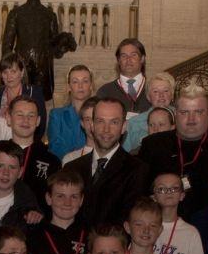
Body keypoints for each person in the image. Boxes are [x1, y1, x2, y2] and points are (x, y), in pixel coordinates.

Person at [139, 82, 208, 220]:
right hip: (164, 224)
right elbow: (141, 193)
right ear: (176, 113)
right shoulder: (153, 144)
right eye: (184, 112)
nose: (191, 119)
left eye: (198, 112)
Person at [64, 97, 149, 228]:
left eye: (114, 122)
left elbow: (129, 220)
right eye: (100, 121)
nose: (106, 129)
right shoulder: (71, 168)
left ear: (123, 127)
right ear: (91, 125)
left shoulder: (137, 170)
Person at [1, 0, 74, 102]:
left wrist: (64, 43)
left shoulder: (50, 15)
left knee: (40, 100)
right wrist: (7, 66)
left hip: (43, 63)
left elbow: (54, 44)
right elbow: (7, 42)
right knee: (19, 99)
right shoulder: (16, 13)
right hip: (21, 62)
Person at [4, 95, 61, 217]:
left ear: (38, 121)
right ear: (8, 118)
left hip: (38, 229)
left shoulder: (52, 161)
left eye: (31, 116)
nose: (26, 120)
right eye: (19, 115)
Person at [0, 51, 47, 140]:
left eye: (13, 71)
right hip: (0, 146)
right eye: (5, 72)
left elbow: (41, 126)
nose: (9, 76)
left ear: (22, 72)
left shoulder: (34, 93)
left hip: (26, 145)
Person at [122, 72, 175, 153]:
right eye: (155, 91)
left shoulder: (182, 118)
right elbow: (125, 155)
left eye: (166, 91)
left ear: (172, 95)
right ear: (148, 96)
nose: (161, 95)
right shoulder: (133, 123)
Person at [47, 64, 93, 160]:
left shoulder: (99, 115)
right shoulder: (56, 115)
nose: (80, 86)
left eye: (85, 81)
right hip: (64, 168)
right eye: (75, 82)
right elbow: (55, 146)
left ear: (91, 86)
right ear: (69, 87)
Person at [97, 38, 150, 115]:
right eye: (124, 56)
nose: (128, 59)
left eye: (133, 55)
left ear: (142, 59)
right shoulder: (105, 91)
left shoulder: (155, 89)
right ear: (118, 60)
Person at [61, 95, 97, 166]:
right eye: (87, 119)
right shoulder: (70, 159)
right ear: (82, 123)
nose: (92, 124)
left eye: (96, 119)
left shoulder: (116, 156)